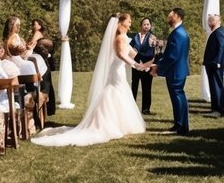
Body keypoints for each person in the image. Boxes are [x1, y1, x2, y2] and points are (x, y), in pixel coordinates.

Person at [33, 13, 147, 147]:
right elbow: (121, 54)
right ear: (121, 22)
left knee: (119, 93)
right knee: (115, 93)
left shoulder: (123, 37)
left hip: (119, 70)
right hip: (116, 71)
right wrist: (135, 65)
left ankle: (118, 123)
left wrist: (147, 63)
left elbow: (133, 54)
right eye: (128, 20)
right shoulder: (120, 37)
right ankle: (110, 123)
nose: (131, 22)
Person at [151, 8, 190, 135]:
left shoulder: (178, 33)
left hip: (175, 71)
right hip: (179, 70)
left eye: (171, 14)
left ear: (178, 16)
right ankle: (180, 124)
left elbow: (172, 56)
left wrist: (158, 65)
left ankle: (180, 126)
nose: (169, 16)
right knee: (179, 97)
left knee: (177, 97)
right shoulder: (181, 32)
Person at [129, 18, 156, 114]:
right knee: (134, 86)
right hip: (136, 66)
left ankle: (146, 109)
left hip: (147, 66)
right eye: (144, 24)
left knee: (147, 87)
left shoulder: (152, 37)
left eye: (148, 24)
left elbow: (152, 53)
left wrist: (145, 63)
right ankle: (132, 107)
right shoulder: (135, 37)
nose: (146, 26)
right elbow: (130, 49)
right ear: (141, 26)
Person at [202, 13, 224, 117]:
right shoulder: (216, 32)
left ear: (216, 22)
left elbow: (221, 48)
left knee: (216, 86)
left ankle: (218, 110)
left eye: (211, 21)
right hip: (211, 63)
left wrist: (217, 62)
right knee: (213, 86)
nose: (209, 23)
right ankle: (214, 108)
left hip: (215, 64)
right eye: (209, 21)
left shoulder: (219, 32)